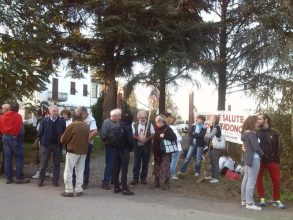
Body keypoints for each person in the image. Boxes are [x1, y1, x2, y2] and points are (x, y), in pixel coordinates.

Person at [256, 113, 285, 209]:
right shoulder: (256, 133)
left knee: (276, 181)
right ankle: (261, 198)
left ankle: (276, 200)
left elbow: (278, 148)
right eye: (258, 119)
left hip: (272, 161)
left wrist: (277, 160)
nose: (258, 121)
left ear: (266, 120)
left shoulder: (274, 133)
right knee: (258, 179)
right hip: (260, 160)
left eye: (260, 119)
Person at [60, 111, 90, 197]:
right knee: (80, 171)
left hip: (73, 150)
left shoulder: (72, 125)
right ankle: (79, 189)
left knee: (68, 170)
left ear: (73, 117)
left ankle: (69, 190)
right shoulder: (86, 125)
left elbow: (63, 139)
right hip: (83, 151)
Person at [0, 102, 29, 184]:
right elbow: (21, 131)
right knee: (19, 158)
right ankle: (19, 177)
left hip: (4, 137)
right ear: (17, 109)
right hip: (14, 138)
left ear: (9, 108)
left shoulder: (2, 117)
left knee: (7, 158)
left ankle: (9, 178)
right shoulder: (18, 116)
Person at [37, 105, 66, 187]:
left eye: (56, 111)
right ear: (49, 111)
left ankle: (55, 180)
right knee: (43, 163)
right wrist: (42, 141)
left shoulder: (61, 121)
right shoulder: (44, 121)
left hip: (57, 145)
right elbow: (40, 133)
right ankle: (41, 179)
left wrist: (62, 143)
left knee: (56, 164)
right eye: (53, 111)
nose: (55, 113)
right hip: (46, 145)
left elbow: (64, 133)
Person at [241, 115, 264, 211]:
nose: (257, 123)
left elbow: (247, 146)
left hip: (247, 158)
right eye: (256, 121)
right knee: (251, 180)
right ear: (252, 123)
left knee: (246, 179)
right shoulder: (252, 134)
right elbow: (256, 148)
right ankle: (249, 203)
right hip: (254, 159)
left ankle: (244, 200)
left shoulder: (245, 133)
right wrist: (263, 154)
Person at [152, 114, 177, 190]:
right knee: (156, 167)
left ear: (162, 122)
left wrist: (165, 136)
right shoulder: (155, 128)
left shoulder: (167, 129)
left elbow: (174, 138)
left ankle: (166, 182)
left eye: (158, 122)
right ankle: (157, 182)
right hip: (156, 151)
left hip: (165, 152)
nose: (156, 124)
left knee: (165, 167)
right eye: (156, 122)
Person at [112, 114, 134, 195]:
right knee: (124, 170)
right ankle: (124, 188)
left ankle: (116, 187)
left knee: (116, 168)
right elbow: (130, 140)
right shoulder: (128, 127)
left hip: (116, 149)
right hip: (125, 150)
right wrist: (131, 148)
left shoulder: (118, 125)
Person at [131, 111, 155, 185]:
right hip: (137, 147)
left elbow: (153, 133)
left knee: (145, 163)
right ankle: (135, 178)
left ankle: (143, 178)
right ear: (138, 118)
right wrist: (139, 138)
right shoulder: (134, 124)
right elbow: (132, 134)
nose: (143, 119)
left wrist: (147, 139)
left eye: (144, 118)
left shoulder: (149, 124)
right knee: (136, 163)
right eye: (141, 118)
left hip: (146, 147)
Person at [76, 106, 97, 189]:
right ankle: (77, 180)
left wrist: (88, 139)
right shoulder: (80, 118)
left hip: (86, 145)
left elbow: (95, 131)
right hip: (78, 144)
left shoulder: (91, 119)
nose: (80, 116)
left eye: (80, 114)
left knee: (85, 163)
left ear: (84, 113)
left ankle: (85, 181)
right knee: (77, 162)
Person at [100, 108, 121, 190]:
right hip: (110, 147)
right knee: (110, 164)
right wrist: (109, 141)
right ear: (114, 116)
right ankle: (105, 182)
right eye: (119, 116)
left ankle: (114, 179)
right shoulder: (106, 122)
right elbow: (103, 135)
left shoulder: (118, 123)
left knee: (116, 164)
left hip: (118, 146)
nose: (120, 117)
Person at [204, 115, 222, 183]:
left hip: (215, 148)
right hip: (211, 147)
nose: (210, 119)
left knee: (215, 163)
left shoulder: (216, 127)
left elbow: (209, 136)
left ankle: (216, 178)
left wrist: (204, 133)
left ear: (215, 119)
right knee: (212, 162)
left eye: (211, 118)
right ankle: (212, 176)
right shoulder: (212, 127)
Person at [166, 115, 182, 180]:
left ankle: (169, 174)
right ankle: (171, 174)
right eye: (175, 120)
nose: (176, 122)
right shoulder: (173, 128)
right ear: (173, 121)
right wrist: (181, 138)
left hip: (171, 147)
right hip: (176, 147)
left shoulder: (167, 127)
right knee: (174, 161)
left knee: (171, 161)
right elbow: (177, 138)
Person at [0, 103, 10, 175]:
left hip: (4, 137)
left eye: (3, 109)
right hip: (3, 137)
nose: (1, 110)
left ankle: (3, 170)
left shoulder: (5, 117)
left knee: (5, 155)